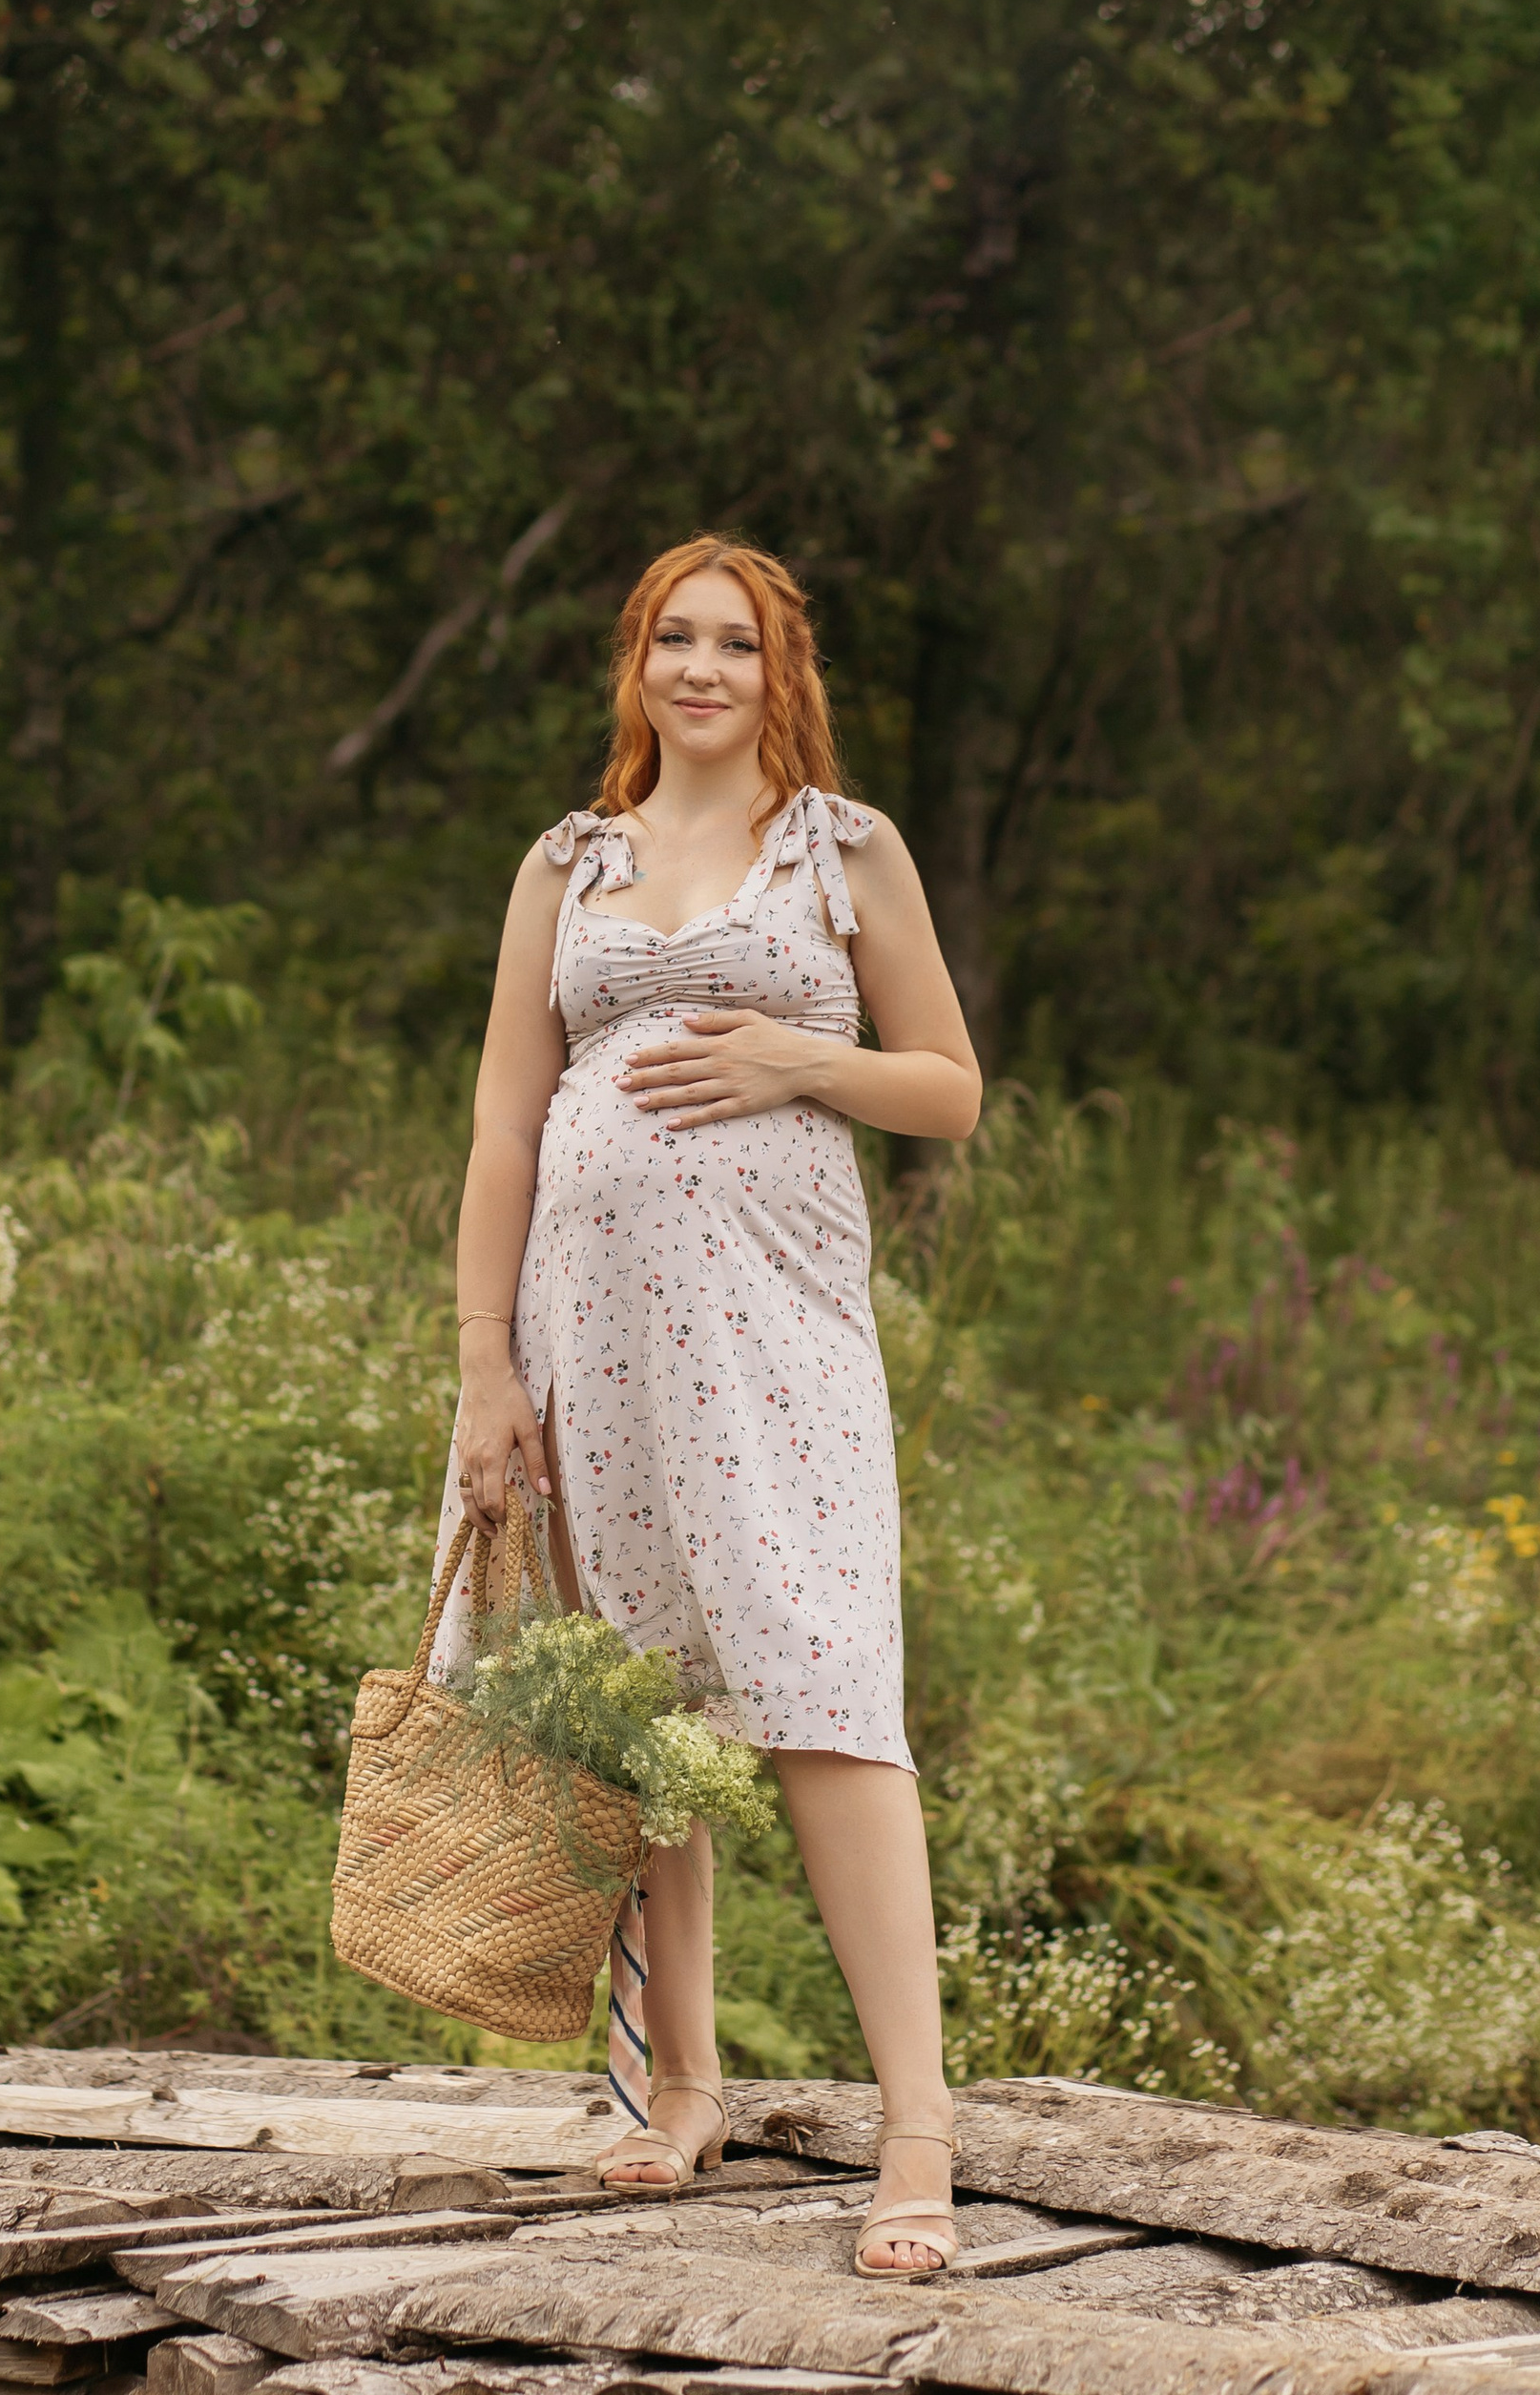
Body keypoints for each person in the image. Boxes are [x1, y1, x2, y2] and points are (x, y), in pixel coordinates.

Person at [440, 532, 981, 2276]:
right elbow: (507, 1124)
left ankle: (919, 2131)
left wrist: (791, 1060)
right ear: (635, 665)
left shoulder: (843, 851)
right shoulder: (568, 864)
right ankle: (683, 2081)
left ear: (779, 673)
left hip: (777, 1335)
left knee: (825, 1688)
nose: (698, 668)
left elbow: (952, 1090)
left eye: (732, 645)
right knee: (639, 1700)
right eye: (670, 638)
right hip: (580, 1334)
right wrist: (480, 1365)